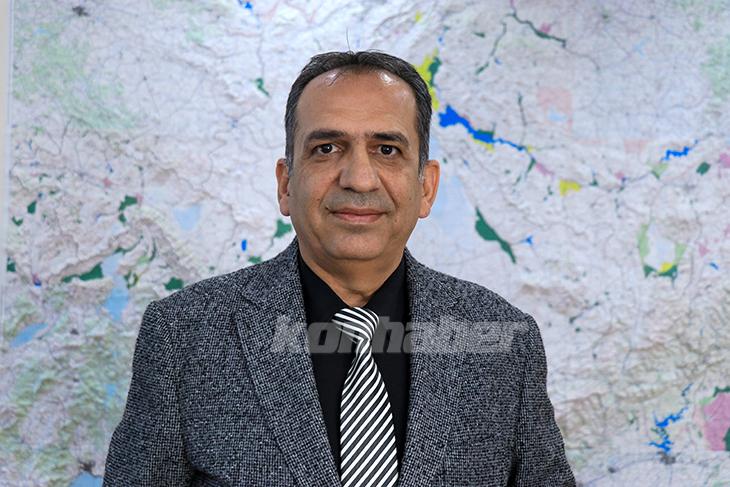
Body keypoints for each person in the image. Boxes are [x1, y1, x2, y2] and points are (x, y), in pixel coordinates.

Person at [103, 50, 575, 486]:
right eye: (327, 148)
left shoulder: (507, 341)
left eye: (387, 149)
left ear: (426, 187)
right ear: (286, 184)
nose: (359, 179)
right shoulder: (182, 336)